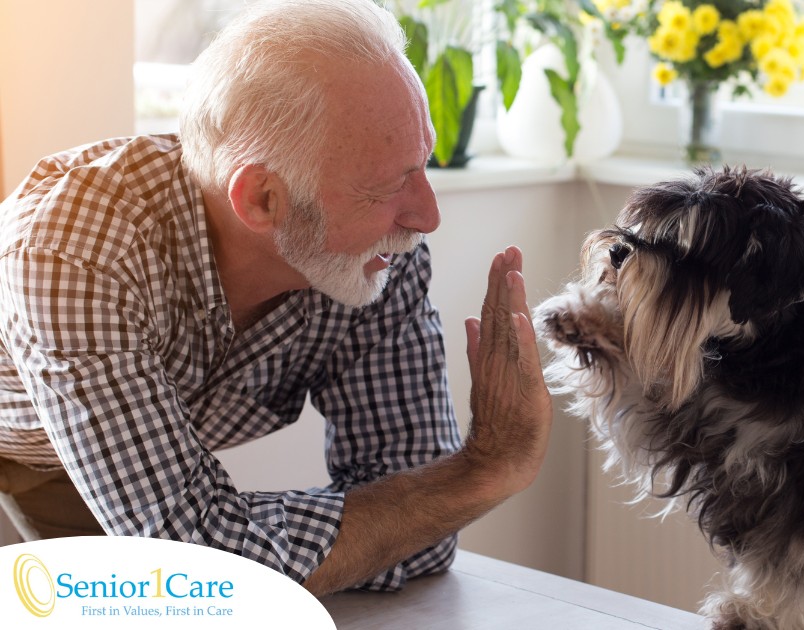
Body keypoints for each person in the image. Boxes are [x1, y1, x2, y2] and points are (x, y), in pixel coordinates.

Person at [0, 0, 553, 597]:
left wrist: (450, 488)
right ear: (263, 199)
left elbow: (424, 528)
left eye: (422, 166)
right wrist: (486, 468)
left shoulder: (377, 256)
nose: (427, 217)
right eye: (390, 184)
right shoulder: (76, 251)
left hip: (113, 457)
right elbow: (197, 563)